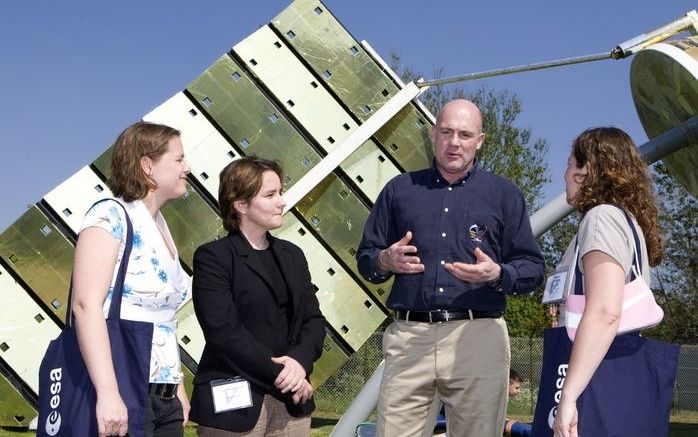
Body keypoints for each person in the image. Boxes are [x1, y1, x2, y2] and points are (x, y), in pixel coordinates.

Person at [356, 99, 545, 437]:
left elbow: (532, 268)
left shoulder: (503, 194)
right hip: (410, 338)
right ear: (433, 134)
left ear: (480, 140)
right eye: (446, 132)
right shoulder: (399, 190)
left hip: (477, 337)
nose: (454, 142)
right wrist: (385, 260)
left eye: (464, 134)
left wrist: (498, 274)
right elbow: (366, 259)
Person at [190, 156, 326, 436]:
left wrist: (300, 363)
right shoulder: (213, 258)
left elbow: (313, 320)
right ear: (241, 205)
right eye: (270, 194)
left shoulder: (292, 255)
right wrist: (283, 375)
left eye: (280, 192)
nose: (282, 201)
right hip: (235, 409)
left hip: (292, 405)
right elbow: (224, 332)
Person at [72, 121, 192, 436]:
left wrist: (175, 383)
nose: (187, 168)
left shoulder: (160, 225)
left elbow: (162, 318)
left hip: (162, 393)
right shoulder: (109, 216)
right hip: (124, 385)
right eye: (178, 159)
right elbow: (86, 306)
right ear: (147, 166)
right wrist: (108, 393)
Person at [552, 127, 663, 436]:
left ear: (585, 171)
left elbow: (605, 312)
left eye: (569, 165)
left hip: (596, 374)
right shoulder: (624, 220)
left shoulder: (601, 218)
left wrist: (568, 396)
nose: (564, 175)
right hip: (616, 370)